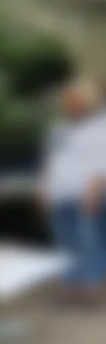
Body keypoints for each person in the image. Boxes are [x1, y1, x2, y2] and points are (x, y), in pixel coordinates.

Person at [40, 80, 104, 294]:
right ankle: (72, 284)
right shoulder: (57, 130)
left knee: (89, 240)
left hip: (86, 193)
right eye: (67, 101)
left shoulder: (100, 127)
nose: (71, 105)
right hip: (61, 194)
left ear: (87, 103)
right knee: (65, 242)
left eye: (76, 101)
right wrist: (43, 188)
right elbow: (51, 161)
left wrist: (94, 191)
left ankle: (91, 285)